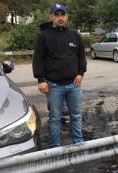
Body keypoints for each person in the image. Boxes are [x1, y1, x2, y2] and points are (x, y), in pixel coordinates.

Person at [32, 3, 87, 148]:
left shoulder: (74, 35)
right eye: (56, 15)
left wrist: (81, 73)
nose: (60, 18)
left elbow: (81, 56)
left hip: (74, 85)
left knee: (76, 116)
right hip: (54, 85)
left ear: (66, 16)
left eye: (62, 14)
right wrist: (40, 79)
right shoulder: (44, 36)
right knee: (55, 118)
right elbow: (38, 58)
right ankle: (54, 148)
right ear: (51, 17)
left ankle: (78, 144)